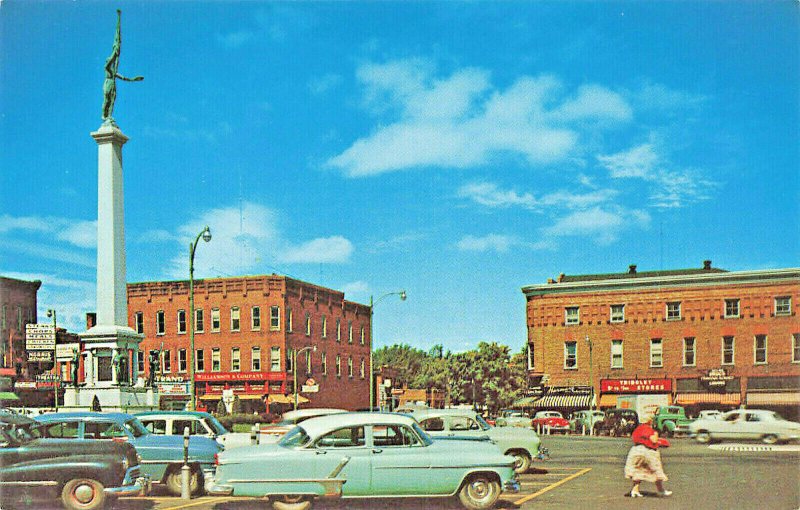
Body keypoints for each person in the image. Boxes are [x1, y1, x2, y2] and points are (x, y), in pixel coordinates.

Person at [624, 416, 672, 498]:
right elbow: (653, 440)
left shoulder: (637, 429)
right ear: (650, 422)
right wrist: (658, 436)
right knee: (656, 470)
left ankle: (635, 490)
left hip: (636, 450)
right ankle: (661, 490)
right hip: (648, 451)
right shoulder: (649, 429)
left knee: (638, 471)